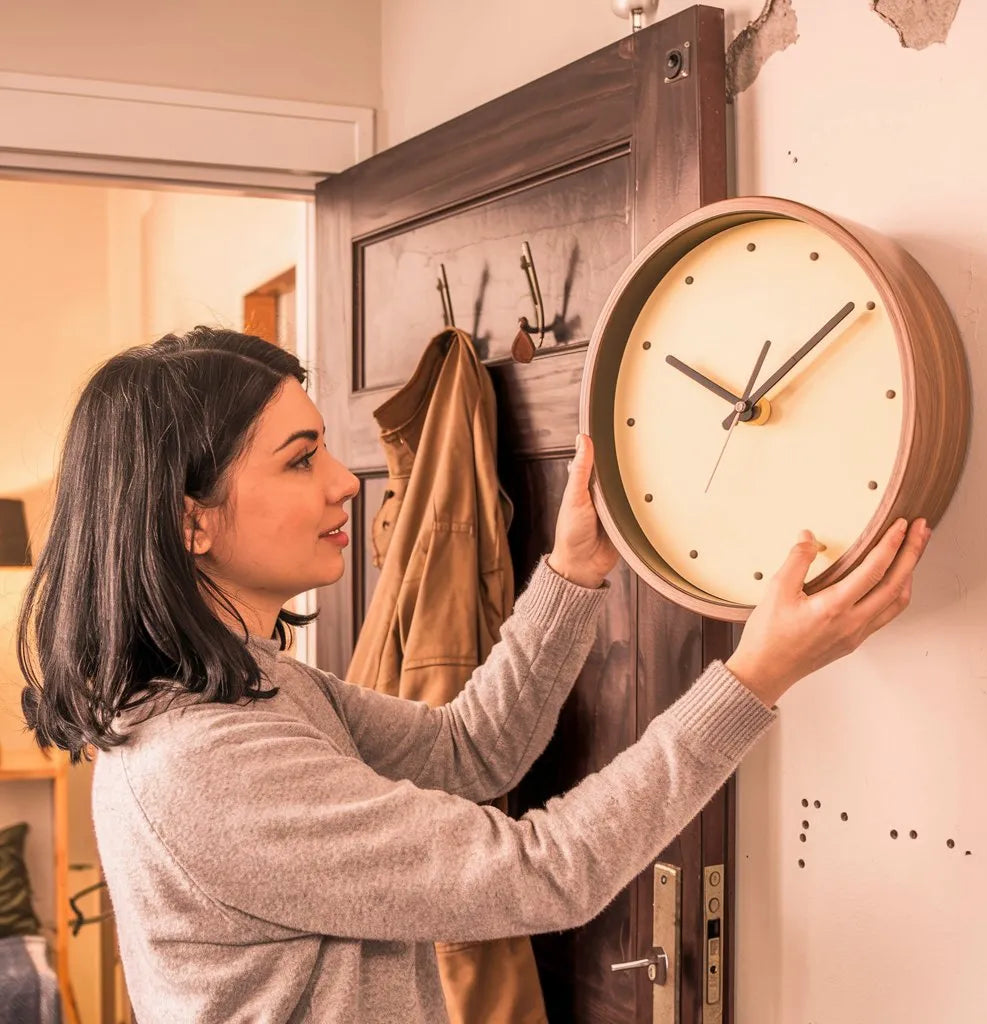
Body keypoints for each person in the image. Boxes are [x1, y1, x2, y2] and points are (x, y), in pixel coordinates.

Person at [18, 328, 929, 1024]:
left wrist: (573, 573)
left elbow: (470, 751)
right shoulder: (211, 760)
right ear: (191, 522)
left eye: (325, 448)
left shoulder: (252, 688)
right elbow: (547, 871)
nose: (346, 481)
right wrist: (755, 677)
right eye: (300, 459)